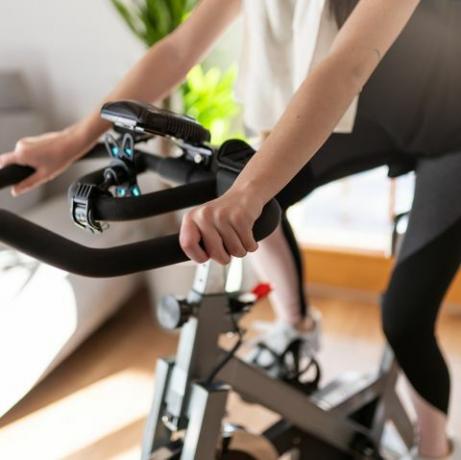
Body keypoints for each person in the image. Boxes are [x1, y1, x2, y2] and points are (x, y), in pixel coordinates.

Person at [0, 1, 459, 458]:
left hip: (452, 133)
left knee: (405, 320)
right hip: (370, 118)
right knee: (237, 178)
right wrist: (72, 140)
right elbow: (179, 49)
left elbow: (346, 64)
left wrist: (248, 195)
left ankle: (435, 448)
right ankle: (296, 327)